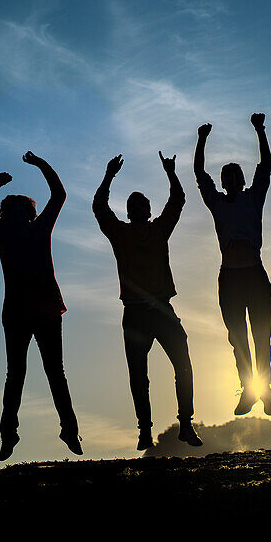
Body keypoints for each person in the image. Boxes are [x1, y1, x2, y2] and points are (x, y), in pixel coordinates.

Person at [0, 151, 81, 461]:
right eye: (13, 209)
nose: (19, 214)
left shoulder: (40, 229)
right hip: (18, 314)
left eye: (23, 209)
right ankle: (9, 436)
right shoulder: (2, 233)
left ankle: (70, 431)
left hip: (46, 311)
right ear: (6, 215)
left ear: (30, 215)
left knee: (55, 373)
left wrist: (40, 163)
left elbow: (59, 194)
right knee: (16, 375)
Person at [93, 151, 203, 451]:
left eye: (143, 204)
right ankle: (144, 430)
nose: (140, 208)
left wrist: (171, 172)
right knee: (139, 377)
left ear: (149, 210)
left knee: (182, 365)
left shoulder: (158, 230)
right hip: (136, 313)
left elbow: (177, 201)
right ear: (129, 212)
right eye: (135, 206)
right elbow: (99, 208)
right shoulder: (121, 234)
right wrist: (108, 176)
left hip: (162, 310)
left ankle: (185, 424)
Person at [194, 113, 271, 417]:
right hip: (230, 277)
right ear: (222, 182)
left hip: (254, 274)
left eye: (235, 177)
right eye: (225, 178)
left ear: (241, 180)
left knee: (261, 336)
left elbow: (266, 166)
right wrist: (202, 139)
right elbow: (199, 174)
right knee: (237, 338)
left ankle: (265, 389)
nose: (230, 181)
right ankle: (248, 389)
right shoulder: (217, 203)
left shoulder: (253, 198)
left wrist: (260, 130)